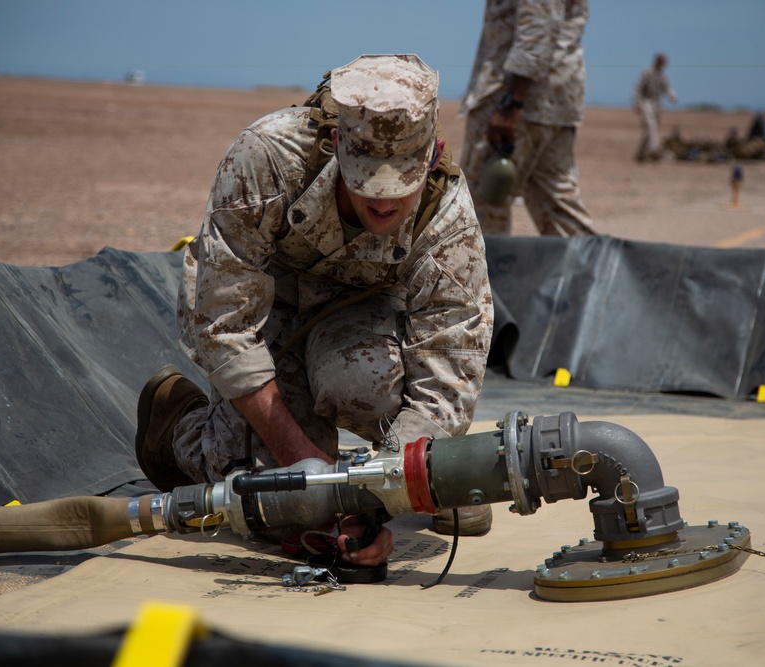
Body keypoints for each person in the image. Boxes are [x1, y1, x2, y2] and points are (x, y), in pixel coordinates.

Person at [134, 55, 496, 568]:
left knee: (367, 393)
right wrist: (299, 462)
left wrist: (379, 500)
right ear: (334, 147)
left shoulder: (447, 216)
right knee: (285, 507)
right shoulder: (268, 158)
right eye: (367, 181)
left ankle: (431, 476)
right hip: (265, 314)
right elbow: (226, 324)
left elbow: (448, 373)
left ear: (433, 156)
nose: (385, 202)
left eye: (401, 184)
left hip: (358, 318)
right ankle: (180, 431)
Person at [458, 0, 596, 237]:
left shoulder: (513, 102)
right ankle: (592, 272)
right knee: (557, 206)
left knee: (482, 206)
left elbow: (537, 28)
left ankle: (487, 273)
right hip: (554, 101)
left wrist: (512, 102)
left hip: (515, 100)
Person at [633, 52, 677, 162]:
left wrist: (671, 95)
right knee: (651, 127)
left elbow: (667, 88)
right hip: (646, 103)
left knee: (651, 130)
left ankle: (640, 154)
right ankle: (654, 151)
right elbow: (637, 88)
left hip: (657, 105)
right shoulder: (647, 73)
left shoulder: (663, 75)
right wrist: (637, 103)